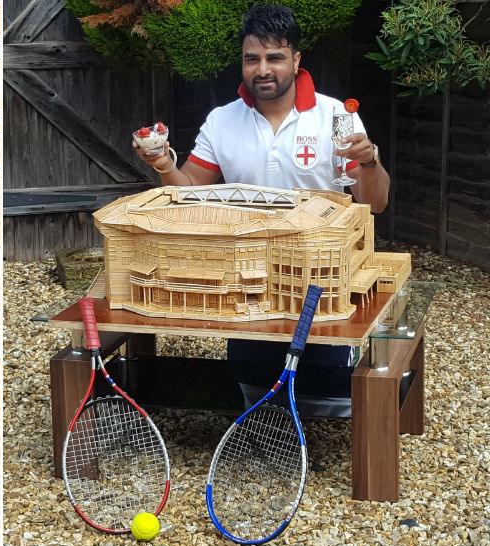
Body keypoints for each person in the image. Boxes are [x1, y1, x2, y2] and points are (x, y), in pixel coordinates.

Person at [132, 4, 391, 417]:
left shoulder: (336, 117)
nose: (262, 70)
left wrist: (370, 160)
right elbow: (186, 195)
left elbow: (374, 202)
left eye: (275, 58)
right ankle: (258, 417)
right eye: (252, 59)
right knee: (252, 382)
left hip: (318, 270)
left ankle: (323, 422)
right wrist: (164, 165)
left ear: (296, 60)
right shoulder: (221, 121)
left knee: (328, 396)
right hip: (245, 272)